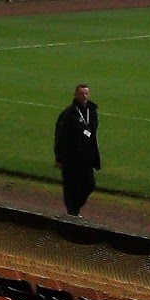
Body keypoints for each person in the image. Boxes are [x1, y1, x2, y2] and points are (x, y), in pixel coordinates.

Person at [53, 83, 100, 217]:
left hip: (87, 157)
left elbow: (92, 134)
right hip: (71, 157)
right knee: (70, 186)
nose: (84, 96)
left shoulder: (92, 111)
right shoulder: (69, 114)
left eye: (86, 93)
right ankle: (72, 212)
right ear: (75, 95)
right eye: (81, 93)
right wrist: (59, 158)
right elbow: (60, 136)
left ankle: (75, 207)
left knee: (89, 184)